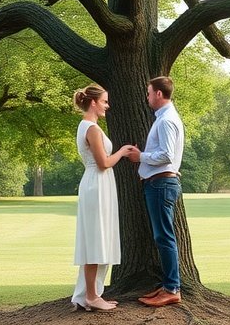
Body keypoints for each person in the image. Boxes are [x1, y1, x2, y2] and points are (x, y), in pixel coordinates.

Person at [71, 83, 134, 312]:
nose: (107, 106)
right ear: (94, 102)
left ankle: (91, 293)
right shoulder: (92, 129)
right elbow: (104, 162)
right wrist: (123, 151)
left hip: (98, 184)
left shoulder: (88, 126)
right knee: (95, 240)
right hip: (96, 184)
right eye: (105, 101)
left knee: (98, 237)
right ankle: (90, 296)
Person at [128, 76, 185, 307]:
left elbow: (167, 155)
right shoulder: (163, 118)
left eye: (149, 92)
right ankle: (168, 284)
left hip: (161, 185)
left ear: (159, 94)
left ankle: (172, 288)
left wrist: (140, 157)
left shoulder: (166, 120)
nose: (147, 96)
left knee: (164, 237)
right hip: (158, 183)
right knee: (162, 236)